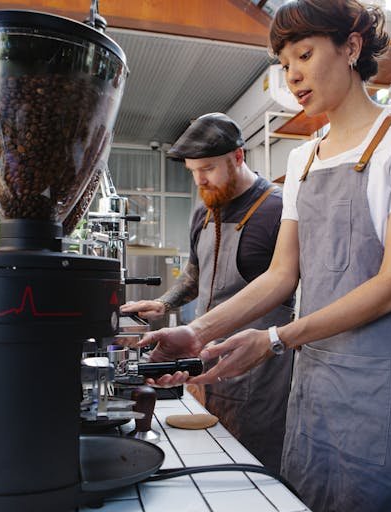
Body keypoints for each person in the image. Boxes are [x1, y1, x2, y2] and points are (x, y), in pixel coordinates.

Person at [135, 1, 391, 511]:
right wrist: (195, 332)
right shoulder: (302, 157)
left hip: (384, 394)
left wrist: (275, 338)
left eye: (305, 55)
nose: (293, 75)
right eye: (284, 64)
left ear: (351, 47)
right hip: (314, 396)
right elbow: (281, 275)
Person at [120, 112, 295, 473]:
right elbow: (196, 274)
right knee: (211, 462)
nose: (200, 179)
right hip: (203, 361)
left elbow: (288, 283)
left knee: (257, 469)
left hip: (260, 372)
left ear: (238, 157)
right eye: (192, 171)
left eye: (208, 168)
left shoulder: (279, 208)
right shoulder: (203, 210)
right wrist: (163, 302)